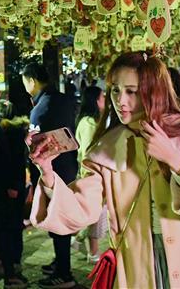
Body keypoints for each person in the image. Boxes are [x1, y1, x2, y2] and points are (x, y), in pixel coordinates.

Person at [30, 54, 180, 288]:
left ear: (154, 91)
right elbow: (81, 210)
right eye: (115, 90)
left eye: (131, 91)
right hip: (137, 264)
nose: (121, 100)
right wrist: (47, 171)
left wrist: (174, 160)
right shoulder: (107, 148)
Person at [23, 61, 79, 289]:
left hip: (52, 172)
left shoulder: (40, 108)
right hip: (68, 167)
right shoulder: (63, 99)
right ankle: (60, 262)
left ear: (32, 81)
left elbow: (34, 145)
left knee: (57, 220)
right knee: (61, 218)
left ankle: (64, 274)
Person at [0, 98, 30, 288]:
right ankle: (14, 267)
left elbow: (6, 162)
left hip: (3, 188)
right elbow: (19, 162)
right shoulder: (18, 131)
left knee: (4, 231)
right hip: (16, 188)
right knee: (14, 227)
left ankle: (10, 274)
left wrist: (10, 185)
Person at [73, 85, 108, 264]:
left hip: (97, 174)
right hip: (92, 176)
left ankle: (79, 240)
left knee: (97, 213)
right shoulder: (88, 123)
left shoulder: (95, 120)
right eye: (103, 97)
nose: (105, 100)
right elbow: (88, 153)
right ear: (96, 100)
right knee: (96, 213)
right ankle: (92, 252)